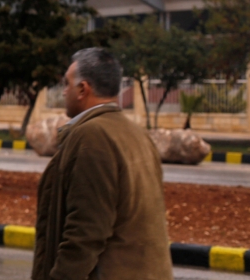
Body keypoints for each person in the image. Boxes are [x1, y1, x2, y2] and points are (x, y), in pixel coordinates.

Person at [33, 48, 172, 280]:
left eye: (66, 84)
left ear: (82, 89)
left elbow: (85, 233)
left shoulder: (92, 136)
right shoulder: (136, 133)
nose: (64, 91)